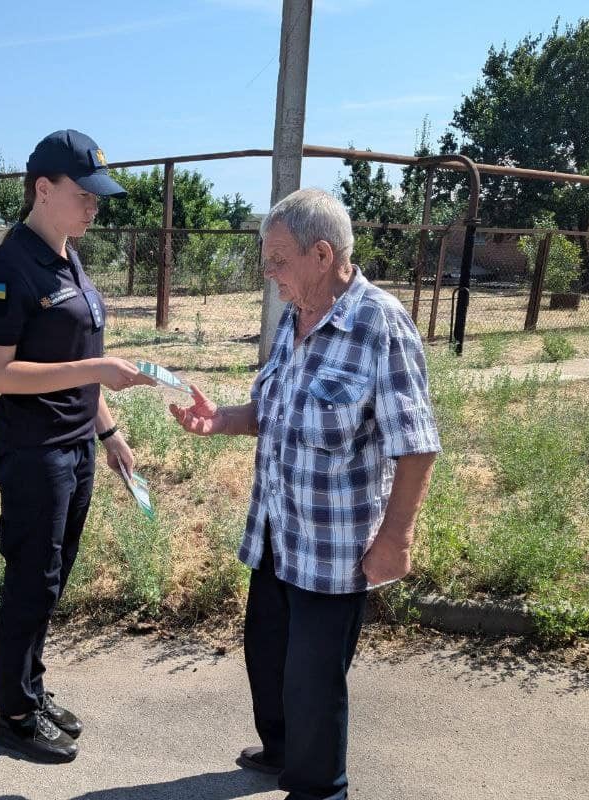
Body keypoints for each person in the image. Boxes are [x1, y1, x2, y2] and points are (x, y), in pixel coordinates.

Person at [169, 188, 440, 800]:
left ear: (323, 254)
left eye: (278, 261)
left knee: (314, 683)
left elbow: (417, 443)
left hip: (333, 550)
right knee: (267, 660)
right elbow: (272, 409)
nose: (269, 275)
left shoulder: (379, 324)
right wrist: (222, 420)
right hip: (275, 535)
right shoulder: (295, 317)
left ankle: (319, 789)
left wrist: (396, 539)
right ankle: (283, 750)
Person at [0, 129, 156, 764]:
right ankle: (13, 713)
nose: (94, 207)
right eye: (85, 195)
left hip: (74, 447)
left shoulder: (68, 257)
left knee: (51, 581)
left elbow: (77, 359)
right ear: (43, 189)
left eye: (98, 197)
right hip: (34, 452)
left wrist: (109, 433)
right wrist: (97, 371)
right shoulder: (7, 268)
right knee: (31, 579)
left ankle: (32, 687)